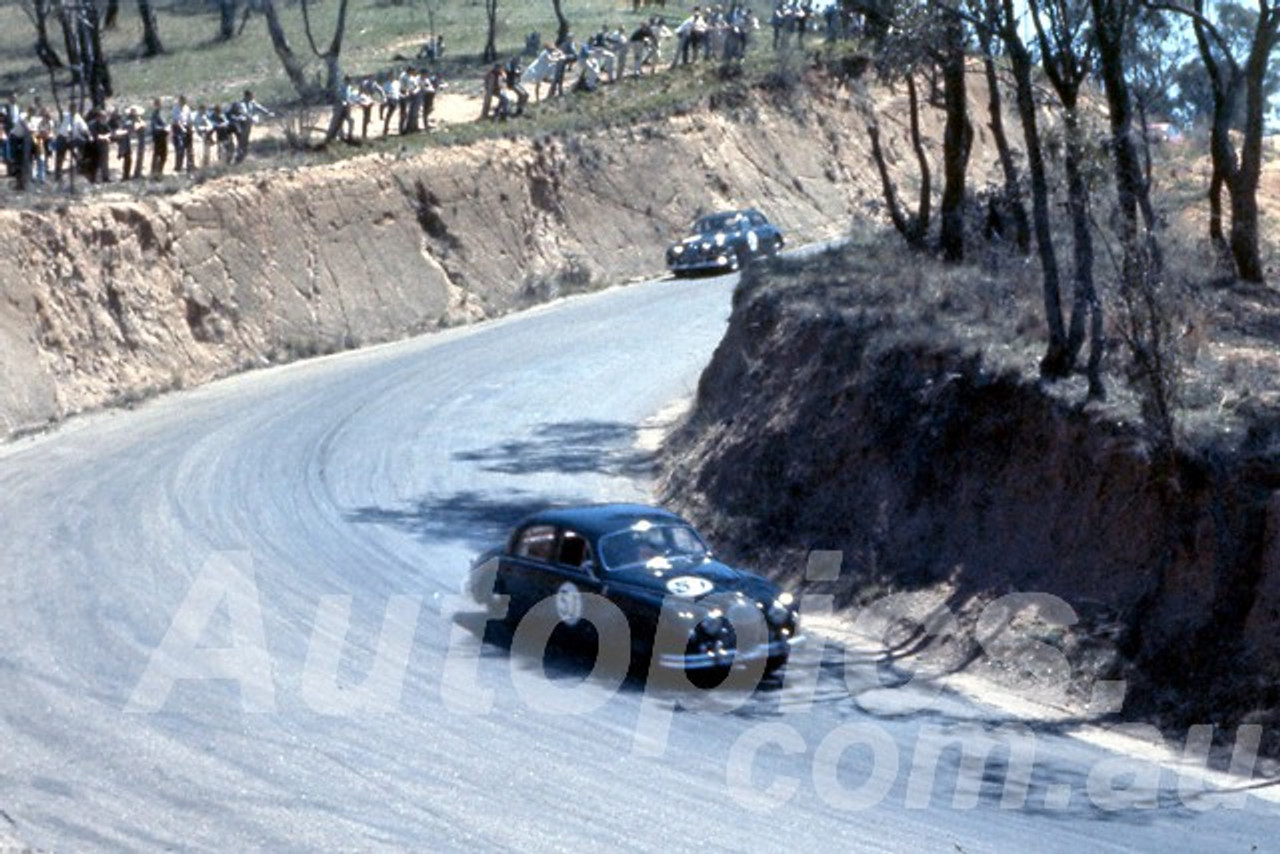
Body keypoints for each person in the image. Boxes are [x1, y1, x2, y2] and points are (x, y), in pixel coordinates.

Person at [149, 97, 169, 177]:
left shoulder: (161, 114)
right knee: (157, 155)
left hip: (163, 136)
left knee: (163, 155)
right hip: (158, 137)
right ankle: (154, 172)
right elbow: (154, 126)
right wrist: (163, 128)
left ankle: (160, 171)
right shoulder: (154, 114)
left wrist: (167, 127)